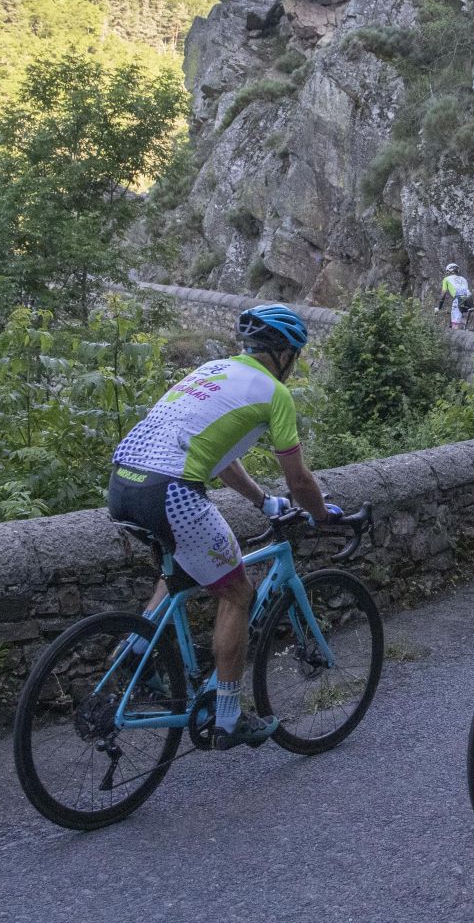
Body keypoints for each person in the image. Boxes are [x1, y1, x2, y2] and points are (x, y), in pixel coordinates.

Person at [107, 305, 334, 750]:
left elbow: (221, 454)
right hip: (172, 491)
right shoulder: (274, 393)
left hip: (123, 481)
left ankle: (134, 656)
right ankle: (228, 718)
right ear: (284, 353)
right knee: (237, 592)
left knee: (180, 570)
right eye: (297, 354)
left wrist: (261, 501)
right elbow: (300, 479)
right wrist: (322, 516)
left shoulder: (212, 371)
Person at [437, 263, 472, 329]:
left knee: (455, 324)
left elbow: (443, 293)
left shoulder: (446, 279)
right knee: (463, 322)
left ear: (449, 271)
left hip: (458, 299)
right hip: (469, 300)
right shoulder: (463, 279)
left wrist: (439, 307)